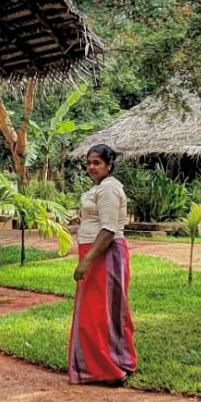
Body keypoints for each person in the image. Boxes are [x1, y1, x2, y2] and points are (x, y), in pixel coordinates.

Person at [69, 143, 136, 386]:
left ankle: (106, 369)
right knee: (102, 311)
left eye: (96, 163)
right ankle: (111, 363)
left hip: (103, 254)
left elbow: (108, 230)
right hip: (95, 251)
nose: (91, 167)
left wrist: (85, 263)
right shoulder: (99, 188)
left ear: (109, 165)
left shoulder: (108, 189)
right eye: (88, 163)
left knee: (98, 313)